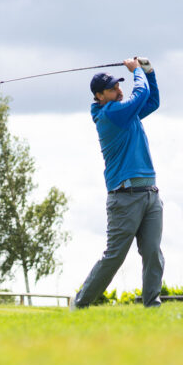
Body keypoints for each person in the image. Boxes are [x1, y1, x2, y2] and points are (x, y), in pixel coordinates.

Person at [73, 57, 163, 309]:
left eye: (118, 86)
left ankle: (152, 307)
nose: (119, 90)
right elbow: (141, 92)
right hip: (124, 197)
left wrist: (149, 71)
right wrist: (136, 72)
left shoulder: (125, 113)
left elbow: (151, 100)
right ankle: (79, 305)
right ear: (99, 96)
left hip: (149, 193)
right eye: (113, 88)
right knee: (114, 257)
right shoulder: (111, 114)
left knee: (153, 252)